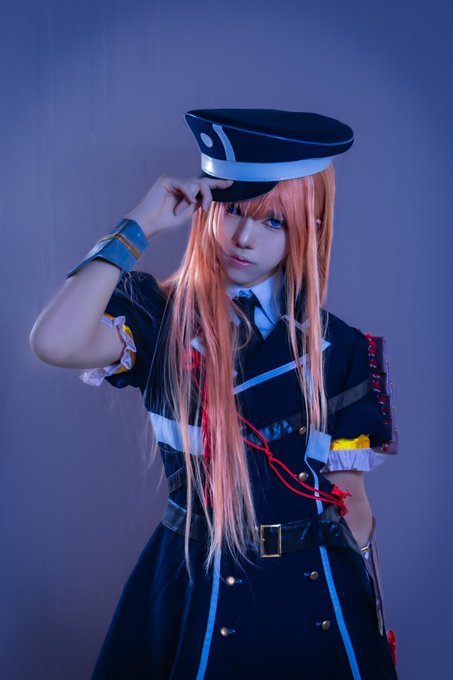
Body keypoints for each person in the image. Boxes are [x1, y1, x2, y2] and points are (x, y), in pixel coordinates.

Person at [30, 109, 398, 679]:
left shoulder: (340, 346)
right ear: (207, 207)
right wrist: (140, 224)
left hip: (318, 593)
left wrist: (365, 618)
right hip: (199, 581)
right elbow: (55, 341)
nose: (244, 238)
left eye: (273, 221)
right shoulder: (158, 316)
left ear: (312, 227)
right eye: (232, 211)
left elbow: (354, 506)